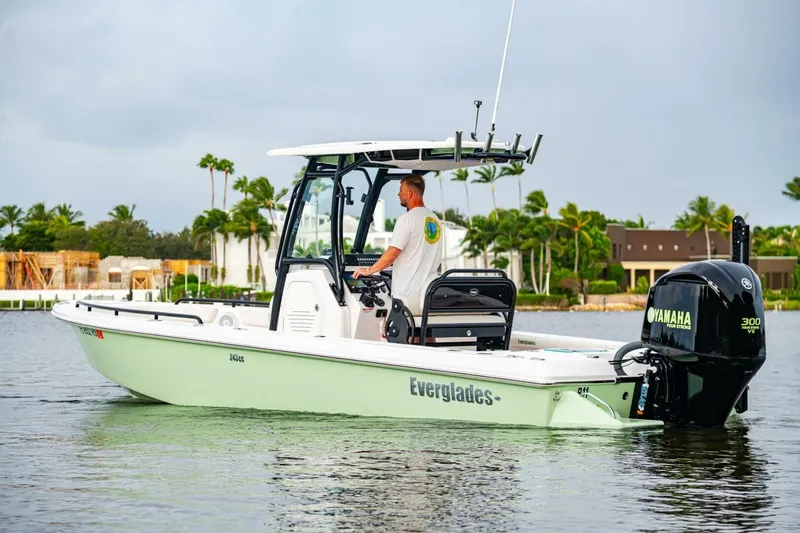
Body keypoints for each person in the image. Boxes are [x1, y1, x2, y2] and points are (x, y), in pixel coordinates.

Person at [353, 174, 443, 313]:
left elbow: (392, 254)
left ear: (409, 193)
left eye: (401, 190)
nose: (398, 194)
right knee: (426, 332)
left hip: (407, 294)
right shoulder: (435, 220)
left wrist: (369, 271)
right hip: (428, 293)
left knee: (406, 334)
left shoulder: (406, 220)